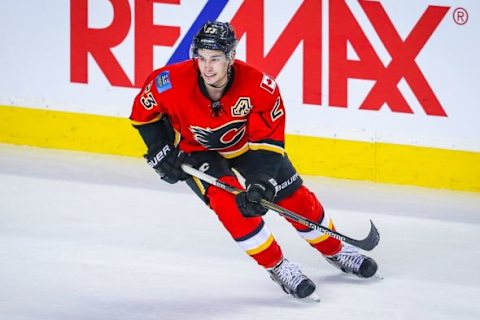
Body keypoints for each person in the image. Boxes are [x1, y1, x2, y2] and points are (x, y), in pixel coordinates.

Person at [130, 21, 379, 300]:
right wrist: (159, 149)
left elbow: (270, 143)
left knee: (296, 200)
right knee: (231, 208)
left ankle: (336, 251)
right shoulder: (168, 81)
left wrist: (262, 181)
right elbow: (144, 116)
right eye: (201, 57)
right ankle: (278, 266)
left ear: (230, 58)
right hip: (196, 152)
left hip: (249, 147)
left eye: (215, 59)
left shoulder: (260, 86)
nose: (207, 66)